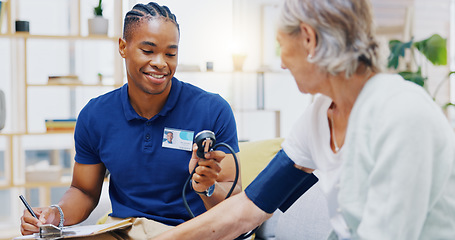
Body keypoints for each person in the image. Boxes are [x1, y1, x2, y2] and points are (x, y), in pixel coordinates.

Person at [153, 0, 455, 239]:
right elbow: (251, 205)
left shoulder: (401, 116)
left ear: (308, 39)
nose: (282, 62)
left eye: (281, 45)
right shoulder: (319, 116)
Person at [19, 2, 241, 239]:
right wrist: (56, 215)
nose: (160, 63)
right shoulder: (96, 115)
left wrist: (208, 187)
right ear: (123, 47)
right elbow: (84, 191)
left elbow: (235, 198)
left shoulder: (213, 110)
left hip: (189, 232)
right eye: (148, 51)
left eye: (171, 53)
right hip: (124, 230)